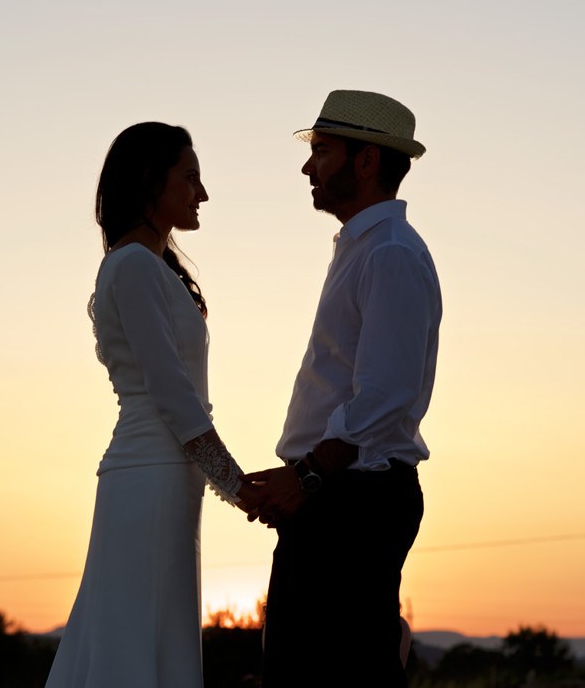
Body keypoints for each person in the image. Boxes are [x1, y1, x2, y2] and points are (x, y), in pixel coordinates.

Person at [46, 122, 261, 688]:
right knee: (134, 640)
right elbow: (171, 393)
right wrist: (240, 488)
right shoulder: (135, 265)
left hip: (169, 479)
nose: (203, 193)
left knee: (151, 637)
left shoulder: (153, 266)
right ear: (149, 182)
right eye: (190, 178)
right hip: (149, 476)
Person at [242, 90, 442, 688]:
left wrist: (304, 479)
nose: (308, 167)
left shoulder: (390, 254)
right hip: (336, 495)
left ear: (365, 162)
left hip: (354, 499)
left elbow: (383, 397)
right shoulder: (364, 249)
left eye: (322, 152)